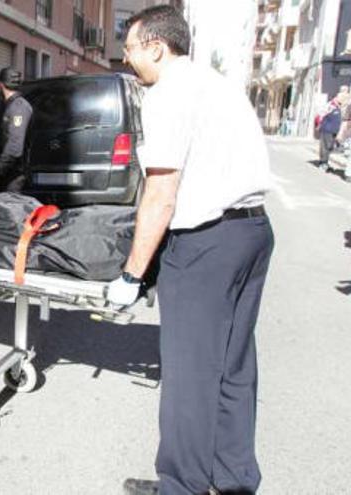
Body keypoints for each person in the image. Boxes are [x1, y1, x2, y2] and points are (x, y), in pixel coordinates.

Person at [109, 6, 274, 495]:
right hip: (253, 233)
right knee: (232, 366)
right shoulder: (217, 84)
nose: (127, 57)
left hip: (207, 243)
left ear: (157, 47)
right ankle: (234, 478)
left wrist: (131, 275)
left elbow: (160, 193)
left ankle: (181, 486)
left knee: (189, 375)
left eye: (132, 48)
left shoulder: (168, 94)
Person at [0, 68, 32, 192]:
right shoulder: (10, 104)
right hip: (7, 170)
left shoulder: (18, 107)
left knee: (10, 206)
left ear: (1, 84)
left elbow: (14, 145)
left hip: (14, 172)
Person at [316, 89, 345, 167]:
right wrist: (318, 124)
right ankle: (323, 162)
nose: (342, 100)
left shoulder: (339, 107)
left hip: (334, 131)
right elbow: (319, 115)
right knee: (325, 146)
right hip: (327, 129)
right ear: (336, 98)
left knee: (330, 147)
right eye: (341, 98)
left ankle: (325, 161)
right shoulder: (330, 106)